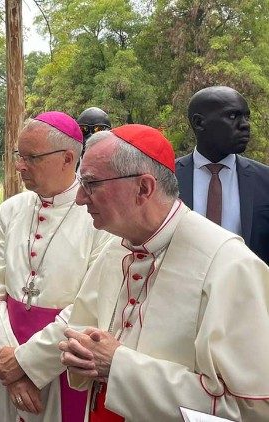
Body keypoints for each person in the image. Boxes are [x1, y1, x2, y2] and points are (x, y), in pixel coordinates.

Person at [59, 124, 269, 421]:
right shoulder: (116, 247)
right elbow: (84, 331)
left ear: (144, 188)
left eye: (91, 184)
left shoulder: (230, 266)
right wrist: (80, 353)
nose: (79, 198)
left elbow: (251, 408)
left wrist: (119, 364)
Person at [0, 112, 114, 422]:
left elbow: (90, 306)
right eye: (19, 155)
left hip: (62, 362)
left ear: (68, 158)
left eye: (31, 157)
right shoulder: (11, 209)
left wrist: (28, 363)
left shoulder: (100, 216)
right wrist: (10, 365)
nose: (20, 165)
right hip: (7, 359)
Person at [176, 86, 269, 264]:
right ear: (199, 123)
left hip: (246, 288)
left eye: (246, 116)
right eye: (233, 116)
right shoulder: (165, 178)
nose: (245, 125)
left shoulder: (265, 180)